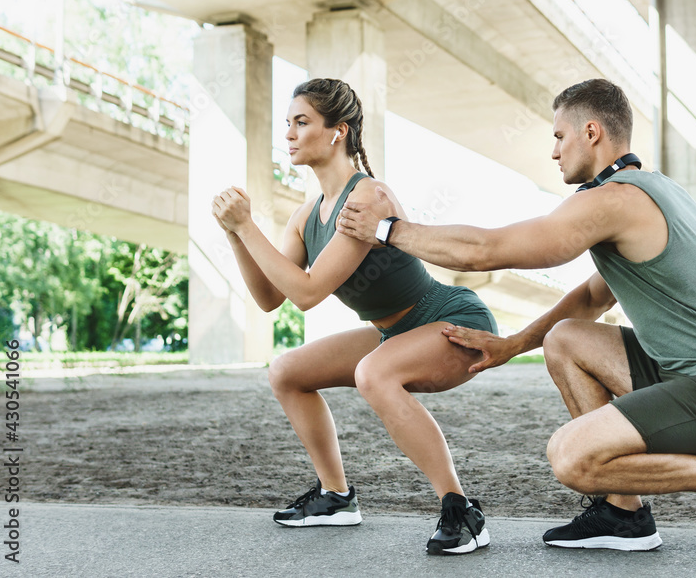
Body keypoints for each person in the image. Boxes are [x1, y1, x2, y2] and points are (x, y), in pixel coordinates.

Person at [336, 78, 696, 567]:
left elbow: (486, 251)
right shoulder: (655, 190)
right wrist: (512, 345)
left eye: (560, 137)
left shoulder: (613, 201)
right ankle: (624, 515)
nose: (554, 152)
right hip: (692, 375)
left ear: (592, 132)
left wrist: (386, 230)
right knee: (565, 339)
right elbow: (592, 296)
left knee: (573, 458)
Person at [211, 78, 496, 555]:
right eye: (288, 124)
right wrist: (235, 235)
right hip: (392, 332)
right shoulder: (305, 217)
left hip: (451, 319)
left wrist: (246, 225)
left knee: (374, 373)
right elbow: (268, 297)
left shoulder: (367, 200)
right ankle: (335, 497)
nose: (290, 134)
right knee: (287, 372)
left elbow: (306, 293)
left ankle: (461, 510)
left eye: (302, 123)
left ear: (338, 131)